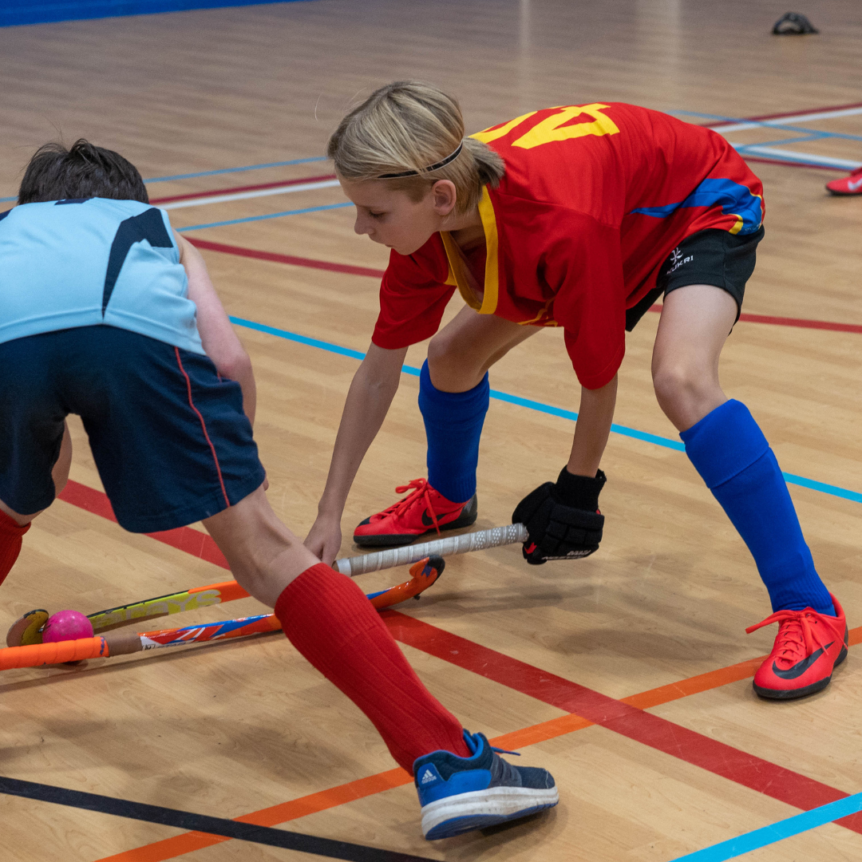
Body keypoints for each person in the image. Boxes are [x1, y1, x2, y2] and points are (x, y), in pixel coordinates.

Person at [0, 140, 558, 841]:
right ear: (130, 197)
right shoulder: (152, 226)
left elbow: (40, 480)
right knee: (268, 555)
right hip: (130, 338)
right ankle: (449, 765)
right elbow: (227, 357)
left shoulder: (6, 236)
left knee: (5, 513)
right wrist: (242, 484)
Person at [306, 82, 848, 701]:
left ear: (441, 196)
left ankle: (810, 606)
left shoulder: (558, 222)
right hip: (604, 213)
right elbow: (378, 371)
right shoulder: (435, 223)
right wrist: (328, 513)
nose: (359, 227)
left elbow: (597, 377)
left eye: (374, 214)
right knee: (452, 357)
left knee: (681, 379)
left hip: (697, 204)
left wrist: (577, 487)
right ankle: (448, 498)